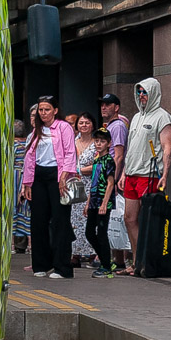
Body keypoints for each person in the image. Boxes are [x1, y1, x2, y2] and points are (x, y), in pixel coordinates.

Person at [21, 96, 80, 278]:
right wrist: (27, 183)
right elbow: (29, 159)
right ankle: (41, 264)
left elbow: (70, 152)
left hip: (58, 174)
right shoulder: (35, 131)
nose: (43, 113)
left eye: (47, 109)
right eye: (40, 110)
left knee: (60, 220)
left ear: (55, 110)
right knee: (38, 220)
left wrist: (64, 176)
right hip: (38, 176)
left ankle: (62, 267)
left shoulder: (63, 127)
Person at [120, 77, 171, 276]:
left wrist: (165, 174)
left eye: (145, 92)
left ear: (154, 93)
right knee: (129, 218)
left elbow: (167, 148)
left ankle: (147, 262)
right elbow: (131, 148)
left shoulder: (163, 117)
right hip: (132, 173)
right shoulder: (136, 117)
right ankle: (136, 261)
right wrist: (124, 172)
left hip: (148, 175)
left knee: (147, 220)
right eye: (139, 92)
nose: (141, 96)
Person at [83, 128, 118, 276]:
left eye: (102, 141)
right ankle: (105, 259)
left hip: (104, 201)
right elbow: (94, 182)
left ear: (108, 143)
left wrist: (104, 204)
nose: (98, 144)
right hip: (94, 200)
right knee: (89, 233)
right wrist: (88, 203)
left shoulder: (109, 161)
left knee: (102, 233)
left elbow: (110, 183)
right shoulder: (97, 160)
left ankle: (106, 266)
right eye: (96, 141)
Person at [70, 112, 98, 266]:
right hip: (74, 184)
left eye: (87, 122)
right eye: (81, 123)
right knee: (74, 218)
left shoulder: (96, 143)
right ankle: (75, 253)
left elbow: (99, 165)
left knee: (89, 218)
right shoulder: (73, 141)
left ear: (92, 125)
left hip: (91, 184)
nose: (84, 125)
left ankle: (93, 253)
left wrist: (81, 170)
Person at [99, 92, 129, 185]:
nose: (103, 108)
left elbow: (119, 156)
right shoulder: (110, 125)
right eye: (102, 105)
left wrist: (112, 182)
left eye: (107, 105)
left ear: (116, 108)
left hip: (112, 176)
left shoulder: (118, 126)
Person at [12, 117, 31, 254]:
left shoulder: (12, 145)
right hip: (27, 177)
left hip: (14, 178)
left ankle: (12, 244)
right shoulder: (28, 143)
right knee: (27, 210)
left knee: (13, 208)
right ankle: (30, 244)